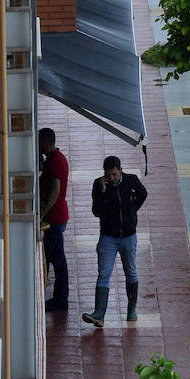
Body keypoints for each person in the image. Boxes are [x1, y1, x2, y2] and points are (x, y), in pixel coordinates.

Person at [82, 155, 147, 328]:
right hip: (107, 237)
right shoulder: (99, 184)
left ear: (120, 170)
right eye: (108, 175)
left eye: (114, 175)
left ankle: (131, 309)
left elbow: (143, 194)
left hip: (128, 236)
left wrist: (132, 211)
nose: (112, 178)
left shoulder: (132, 180)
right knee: (104, 274)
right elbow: (96, 211)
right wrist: (102, 193)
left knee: (131, 271)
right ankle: (99, 314)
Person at [38, 128, 69, 313]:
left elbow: (55, 191)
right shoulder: (54, 158)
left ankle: (61, 298)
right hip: (56, 216)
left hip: (55, 218)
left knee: (58, 260)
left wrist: (42, 212)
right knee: (50, 256)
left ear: (45, 142)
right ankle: (52, 295)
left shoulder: (55, 161)